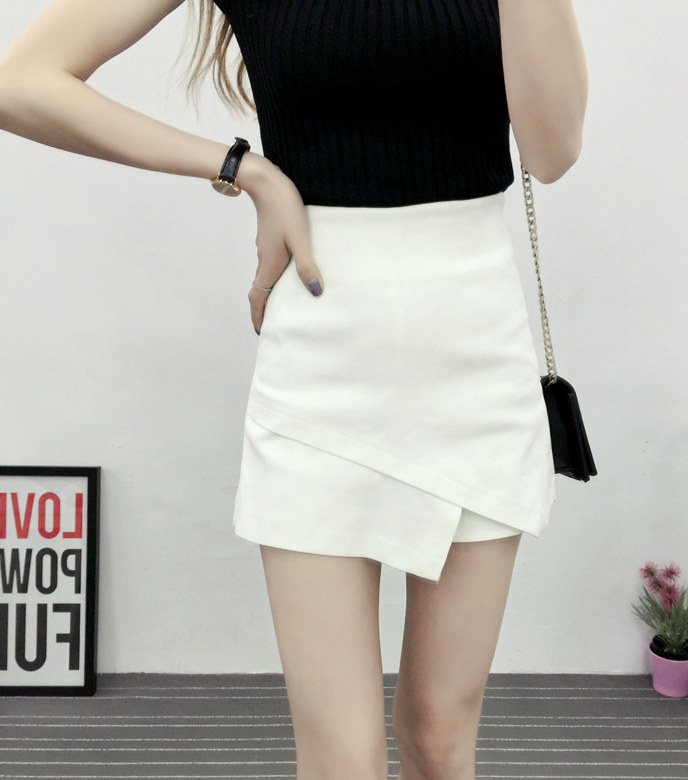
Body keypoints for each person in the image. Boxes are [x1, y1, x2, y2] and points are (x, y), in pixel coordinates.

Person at [0, 1, 587, 777]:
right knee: (342, 760)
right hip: (319, 370)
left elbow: (553, 150)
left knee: (441, 735)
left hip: (475, 364)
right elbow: (20, 82)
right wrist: (242, 169)